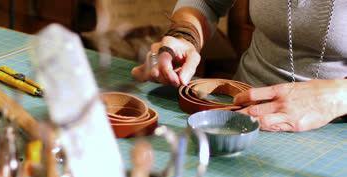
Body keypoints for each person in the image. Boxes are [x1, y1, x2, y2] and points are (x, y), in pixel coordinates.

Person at [131, 0, 347, 132]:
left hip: (334, 127)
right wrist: (185, 36)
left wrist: (338, 98)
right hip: (239, 107)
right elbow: (207, 2)